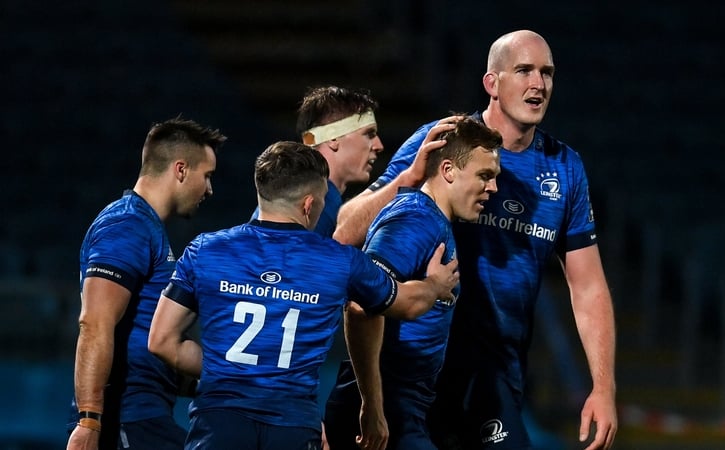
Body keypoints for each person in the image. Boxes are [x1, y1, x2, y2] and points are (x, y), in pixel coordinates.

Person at [333, 30, 618, 450]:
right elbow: (345, 229)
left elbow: (588, 285)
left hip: (494, 370)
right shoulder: (445, 138)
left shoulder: (564, 167)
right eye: (523, 71)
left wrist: (604, 387)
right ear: (492, 83)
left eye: (547, 73)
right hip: (410, 361)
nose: (538, 83)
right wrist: (409, 178)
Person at [147, 141, 460, 450]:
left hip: (218, 425)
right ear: (309, 204)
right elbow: (406, 303)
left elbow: (161, 341)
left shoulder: (206, 250)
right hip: (292, 426)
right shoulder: (339, 261)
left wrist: (232, 369)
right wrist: (436, 283)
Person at [324, 117, 503, 450]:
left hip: (400, 407)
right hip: (385, 409)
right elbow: (362, 306)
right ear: (448, 170)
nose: (492, 188)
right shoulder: (415, 221)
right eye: (484, 176)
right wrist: (372, 406)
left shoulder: (428, 218)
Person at [67, 117, 227, 450]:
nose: (209, 189)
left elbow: (139, 341)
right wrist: (88, 421)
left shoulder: (147, 227)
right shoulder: (126, 224)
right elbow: (94, 323)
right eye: (207, 176)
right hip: (125, 421)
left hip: (143, 415)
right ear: (180, 170)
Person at [250, 85, 384, 237]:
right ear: (333, 138)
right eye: (369, 134)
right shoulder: (317, 202)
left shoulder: (291, 195)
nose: (379, 146)